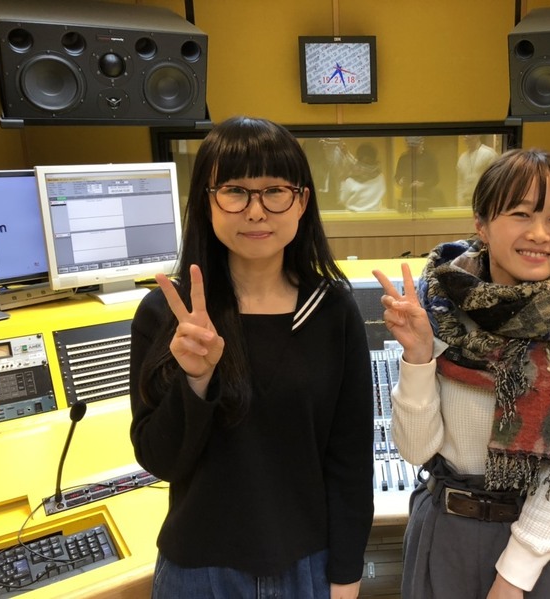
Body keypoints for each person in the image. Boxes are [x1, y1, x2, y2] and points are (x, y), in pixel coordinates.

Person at [129, 116, 374, 599]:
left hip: (307, 565)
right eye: (235, 192)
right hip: (196, 571)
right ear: (207, 201)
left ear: (301, 201)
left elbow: (349, 460)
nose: (256, 211)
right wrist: (195, 382)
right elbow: (159, 459)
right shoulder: (168, 313)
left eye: (275, 191)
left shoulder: (332, 310)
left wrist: (346, 577)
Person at [373, 148, 550, 598]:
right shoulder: (439, 311)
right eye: (521, 214)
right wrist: (418, 358)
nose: (540, 234)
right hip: (445, 529)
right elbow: (416, 449)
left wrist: (513, 577)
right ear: (482, 225)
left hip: (540, 540)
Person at [394, 136, 442, 210]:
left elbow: (435, 179)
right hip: (407, 196)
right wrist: (400, 180)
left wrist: (422, 184)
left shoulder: (430, 158)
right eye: (410, 148)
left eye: (415, 147)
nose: (412, 150)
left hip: (426, 196)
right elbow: (397, 176)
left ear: (421, 143)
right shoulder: (403, 158)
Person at [338, 143, 385, 212]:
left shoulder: (350, 181)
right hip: (375, 215)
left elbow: (342, 200)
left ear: (358, 158)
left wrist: (342, 182)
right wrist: (347, 154)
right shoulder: (380, 177)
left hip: (353, 216)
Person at [456, 134, 498, 206]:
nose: (466, 136)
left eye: (469, 134)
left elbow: (495, 181)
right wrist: (460, 202)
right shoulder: (462, 158)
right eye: (464, 134)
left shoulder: (489, 154)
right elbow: (460, 184)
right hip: (466, 203)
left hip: (483, 201)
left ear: (478, 135)